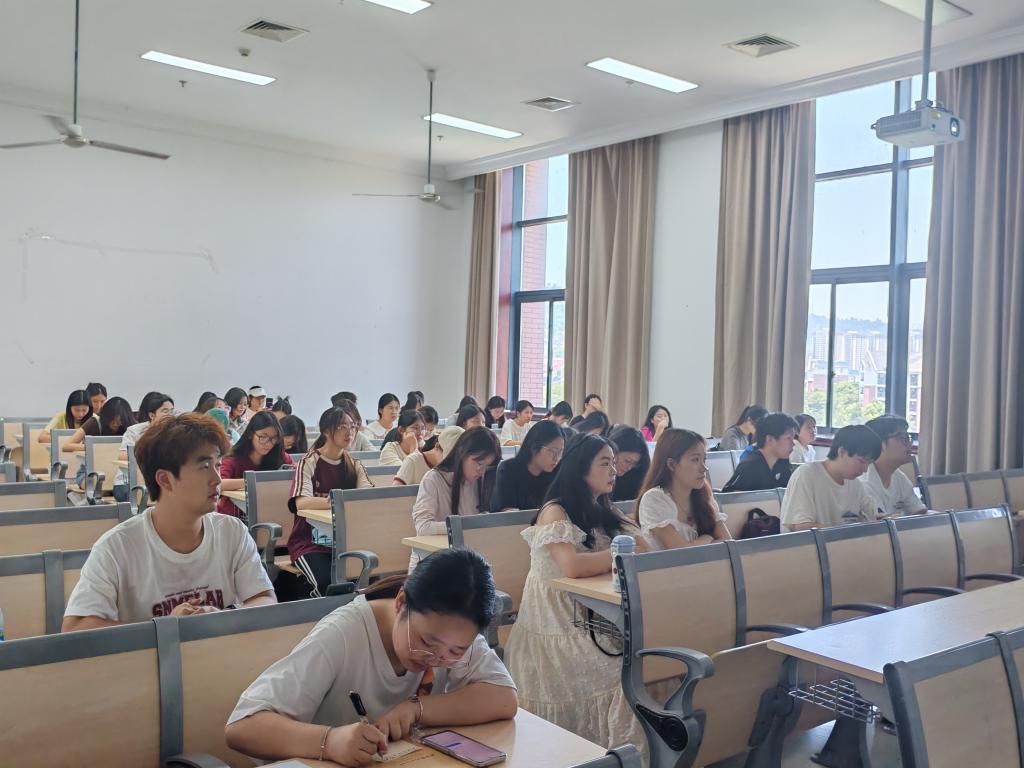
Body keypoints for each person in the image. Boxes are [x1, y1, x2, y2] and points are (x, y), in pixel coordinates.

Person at [225, 549, 518, 764]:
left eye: (456, 651)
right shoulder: (343, 634)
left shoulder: (452, 629)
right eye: (426, 642)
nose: (435, 659)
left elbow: (504, 698)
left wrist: (416, 709)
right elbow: (242, 728)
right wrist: (330, 741)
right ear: (401, 602)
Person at [61, 413, 276, 631]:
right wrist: (163, 629)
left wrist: (224, 616)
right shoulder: (116, 547)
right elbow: (75, 628)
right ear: (164, 479)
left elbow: (266, 600)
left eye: (217, 465)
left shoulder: (232, 532)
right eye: (204, 467)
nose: (217, 479)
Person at [504, 434, 646, 751]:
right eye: (605, 464)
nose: (614, 471)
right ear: (581, 469)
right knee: (621, 676)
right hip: (557, 621)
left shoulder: (603, 506)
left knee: (648, 665)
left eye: (614, 463)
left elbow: (643, 546)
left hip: (593, 612)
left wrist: (629, 544)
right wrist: (619, 554)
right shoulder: (555, 511)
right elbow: (572, 567)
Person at [288, 405, 373, 597]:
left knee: (371, 580)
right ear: (326, 431)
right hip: (309, 543)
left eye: (352, 426)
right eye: (342, 427)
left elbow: (367, 498)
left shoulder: (354, 464)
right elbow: (301, 503)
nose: (349, 432)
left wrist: (343, 501)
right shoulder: (309, 462)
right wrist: (336, 501)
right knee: (327, 584)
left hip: (346, 541)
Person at [410, 428, 500, 567]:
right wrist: (465, 526)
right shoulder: (434, 479)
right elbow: (423, 527)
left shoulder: (482, 480)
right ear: (461, 453)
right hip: (432, 563)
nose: (482, 471)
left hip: (469, 559)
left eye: (487, 466)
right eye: (479, 463)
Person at [635, 428, 731, 550]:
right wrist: (707, 539)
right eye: (695, 460)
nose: (704, 468)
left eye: (704, 460)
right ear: (672, 464)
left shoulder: (704, 494)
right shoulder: (654, 499)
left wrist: (698, 544)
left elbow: (728, 542)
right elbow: (681, 552)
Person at [780, 425, 883, 531]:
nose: (865, 469)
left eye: (869, 463)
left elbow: (875, 515)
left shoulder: (854, 484)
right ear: (841, 452)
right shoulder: (807, 475)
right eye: (862, 461)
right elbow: (800, 526)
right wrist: (844, 535)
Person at [217, 412, 294, 518]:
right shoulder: (233, 459)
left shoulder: (278, 455)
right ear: (250, 434)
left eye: (274, 438)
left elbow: (297, 472)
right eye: (263, 437)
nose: (269, 443)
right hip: (233, 516)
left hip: (268, 513)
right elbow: (219, 483)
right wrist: (255, 482)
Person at [112, 392, 175, 502]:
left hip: (158, 481)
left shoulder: (173, 433)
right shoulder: (135, 431)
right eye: (165, 411)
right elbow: (122, 455)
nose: (170, 415)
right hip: (127, 483)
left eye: (171, 411)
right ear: (152, 415)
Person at [490, 421, 565, 511]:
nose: (557, 458)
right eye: (553, 451)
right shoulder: (508, 470)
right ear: (534, 447)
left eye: (560, 452)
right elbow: (506, 512)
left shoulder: (558, 471)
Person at [861, 415, 926, 518]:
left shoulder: (898, 476)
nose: (909, 444)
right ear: (880, 444)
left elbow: (919, 512)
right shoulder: (865, 481)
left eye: (909, 438)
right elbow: (881, 522)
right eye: (903, 438)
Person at [721, 412, 798, 493]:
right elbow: (730, 497)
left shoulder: (783, 462)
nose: (793, 444)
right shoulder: (750, 466)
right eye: (788, 438)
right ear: (770, 439)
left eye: (793, 438)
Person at [393, 427, 463, 486]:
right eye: (449, 458)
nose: (450, 464)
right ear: (437, 446)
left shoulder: (457, 467)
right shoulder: (413, 461)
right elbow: (395, 492)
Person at [63, 396, 136, 452]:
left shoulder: (132, 427)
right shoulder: (94, 422)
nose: (115, 424)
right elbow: (66, 446)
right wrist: (96, 447)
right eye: (112, 420)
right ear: (106, 416)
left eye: (120, 421)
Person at [608, 425, 651, 502]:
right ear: (614, 451)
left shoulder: (635, 475)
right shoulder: (599, 474)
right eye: (627, 461)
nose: (629, 467)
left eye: (635, 464)